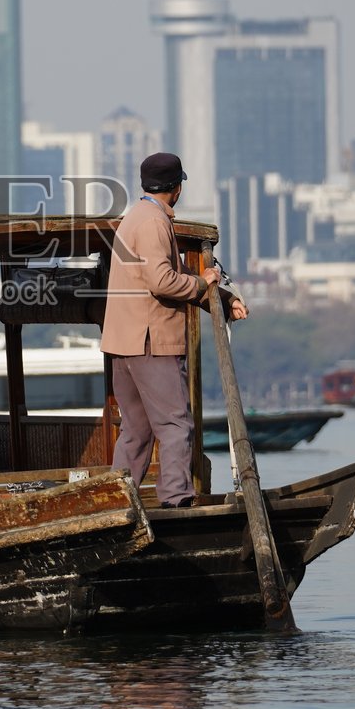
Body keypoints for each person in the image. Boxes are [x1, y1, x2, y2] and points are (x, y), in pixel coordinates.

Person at [100, 152, 248, 508]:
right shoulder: (153, 222)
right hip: (152, 343)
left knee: (136, 432)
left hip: (125, 344)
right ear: (177, 187)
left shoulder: (135, 218)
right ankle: (176, 501)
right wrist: (204, 281)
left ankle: (117, 504)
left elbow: (178, 276)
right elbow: (163, 282)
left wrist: (224, 300)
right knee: (176, 425)